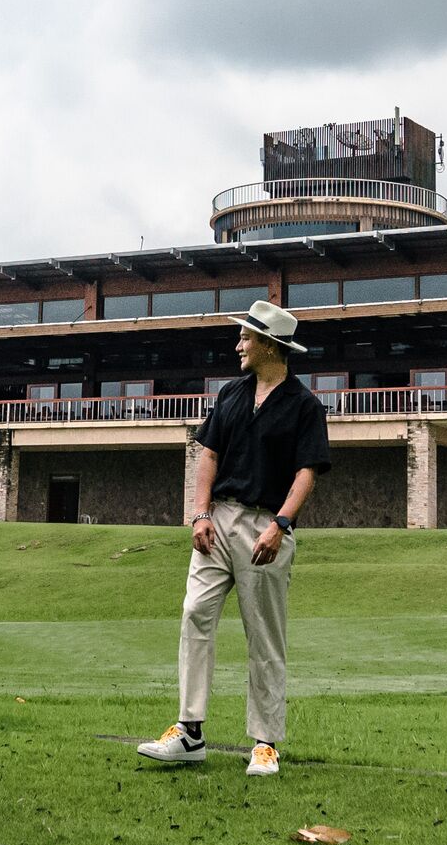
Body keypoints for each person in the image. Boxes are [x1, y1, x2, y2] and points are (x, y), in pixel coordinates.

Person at [138, 301, 329, 776]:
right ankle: (189, 733)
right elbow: (208, 456)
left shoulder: (305, 406)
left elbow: (306, 472)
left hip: (266, 528)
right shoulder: (230, 393)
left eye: (246, 337)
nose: (238, 344)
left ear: (270, 345)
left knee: (264, 637)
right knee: (194, 614)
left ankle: (265, 744)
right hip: (216, 523)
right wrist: (199, 513)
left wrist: (280, 525)